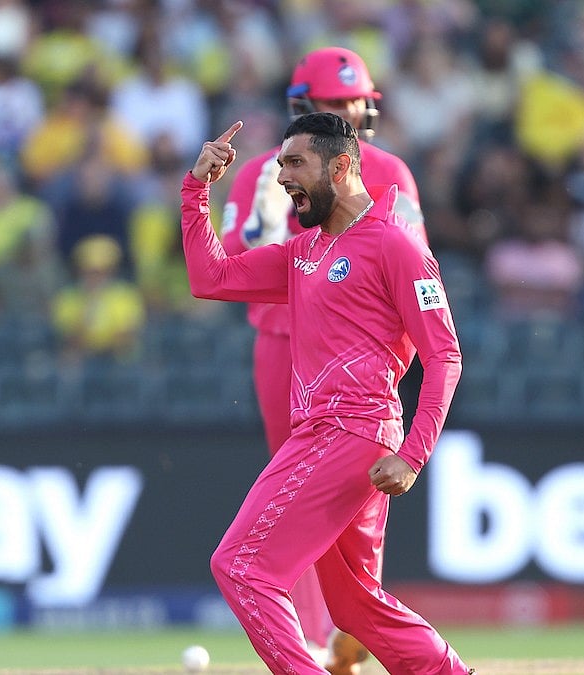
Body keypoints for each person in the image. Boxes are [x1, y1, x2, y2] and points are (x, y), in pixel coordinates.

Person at [181, 113, 471, 675]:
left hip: (346, 432)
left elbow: (445, 355)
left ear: (340, 166)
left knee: (242, 566)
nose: (281, 176)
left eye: (295, 163)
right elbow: (209, 279)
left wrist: (413, 454)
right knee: (356, 605)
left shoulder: (396, 245)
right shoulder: (304, 253)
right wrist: (196, 191)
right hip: (340, 438)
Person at [217, 46, 424, 671]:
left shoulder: (393, 171)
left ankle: (351, 623)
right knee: (293, 493)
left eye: (350, 102)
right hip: (284, 343)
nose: (342, 112)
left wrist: (390, 360)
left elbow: (415, 273)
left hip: (358, 359)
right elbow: (232, 258)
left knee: (356, 499)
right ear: (302, 108)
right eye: (329, 104)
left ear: (368, 106)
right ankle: (312, 634)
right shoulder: (268, 170)